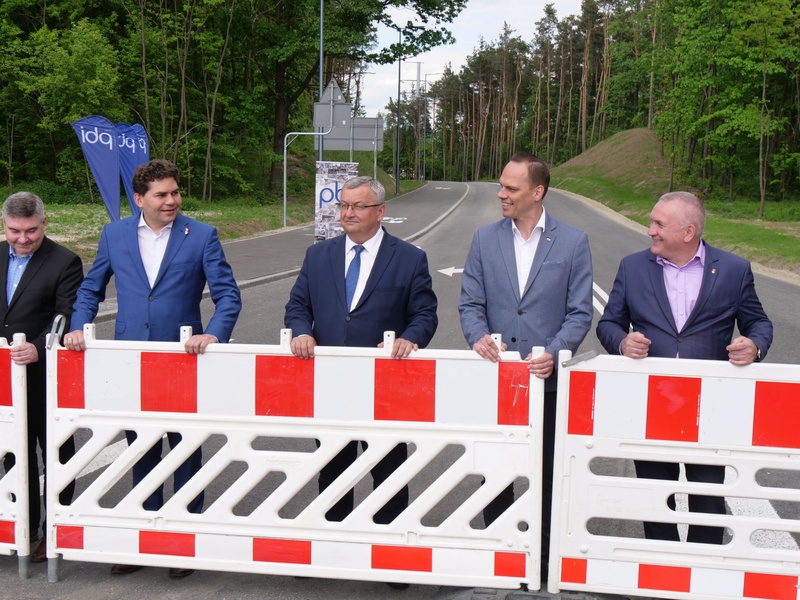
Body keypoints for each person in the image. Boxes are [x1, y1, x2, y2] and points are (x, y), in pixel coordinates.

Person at [63, 159, 242, 577]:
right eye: (161, 194)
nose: (171, 201)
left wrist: (214, 334)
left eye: (175, 192)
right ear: (139, 198)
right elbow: (91, 289)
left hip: (183, 360)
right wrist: (77, 327)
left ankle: (183, 540)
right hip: (131, 359)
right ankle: (143, 539)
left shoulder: (201, 235)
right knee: (140, 448)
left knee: (184, 447)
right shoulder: (114, 235)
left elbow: (228, 295)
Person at [596, 191, 773, 544]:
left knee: (707, 498)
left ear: (688, 231)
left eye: (659, 224)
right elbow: (608, 323)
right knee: (655, 498)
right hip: (652, 405)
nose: (650, 230)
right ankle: (661, 567)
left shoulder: (734, 270)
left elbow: (759, 323)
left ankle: (704, 565)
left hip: (709, 409)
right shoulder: (632, 267)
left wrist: (754, 346)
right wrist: (622, 342)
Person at [459, 151, 593, 579]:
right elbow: (470, 303)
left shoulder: (572, 242)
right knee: (496, 473)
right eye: (501, 185)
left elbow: (579, 312)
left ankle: (546, 558)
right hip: (497, 380)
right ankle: (502, 555)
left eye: (510, 188)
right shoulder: (484, 239)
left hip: (548, 384)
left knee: (548, 474)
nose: (501, 193)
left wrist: (555, 351)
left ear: (537, 192)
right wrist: (477, 336)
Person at [284, 175, 437, 540]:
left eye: (358, 206)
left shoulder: (409, 258)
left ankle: (389, 545)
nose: (348, 213)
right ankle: (334, 541)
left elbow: (424, 314)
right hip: (331, 384)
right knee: (333, 470)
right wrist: (302, 330)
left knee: (388, 470)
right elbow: (297, 305)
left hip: (384, 386)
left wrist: (410, 338)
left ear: (380, 212)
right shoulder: (318, 255)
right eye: (344, 205)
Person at [0, 192, 83, 564]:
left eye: (31, 231)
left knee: (55, 454)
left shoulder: (65, 261)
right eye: (14, 231)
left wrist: (39, 347)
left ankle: (55, 530)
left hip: (45, 376)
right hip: (4, 378)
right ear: (5, 225)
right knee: (14, 456)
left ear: (44, 223)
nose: (22, 239)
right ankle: (26, 526)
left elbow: (68, 314)